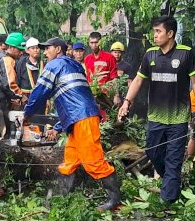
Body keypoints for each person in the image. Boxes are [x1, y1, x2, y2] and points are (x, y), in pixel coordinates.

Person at [23, 37, 122, 212]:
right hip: (79, 117)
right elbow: (73, 99)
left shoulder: (54, 66)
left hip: (82, 118)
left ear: (58, 50)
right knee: (70, 160)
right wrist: (59, 126)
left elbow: (39, 93)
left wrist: (27, 114)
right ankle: (62, 197)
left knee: (93, 161)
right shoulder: (76, 65)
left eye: (48, 49)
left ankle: (115, 200)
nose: (45, 52)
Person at [118, 15, 195, 204]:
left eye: (158, 31)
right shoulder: (150, 54)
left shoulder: (186, 54)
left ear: (170, 33)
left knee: (173, 160)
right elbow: (138, 80)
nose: (154, 35)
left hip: (178, 118)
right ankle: (171, 182)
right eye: (154, 31)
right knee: (153, 153)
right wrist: (126, 102)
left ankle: (168, 201)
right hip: (156, 117)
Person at [84, 32, 120, 106]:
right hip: (92, 96)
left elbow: (114, 78)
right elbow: (87, 78)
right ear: (89, 43)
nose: (94, 45)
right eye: (92, 42)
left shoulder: (109, 57)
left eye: (96, 42)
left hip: (107, 96)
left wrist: (117, 95)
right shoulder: (87, 59)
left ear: (101, 42)